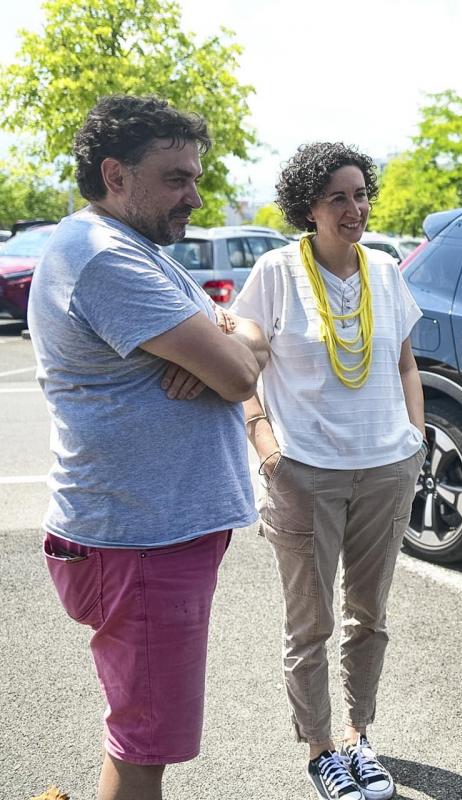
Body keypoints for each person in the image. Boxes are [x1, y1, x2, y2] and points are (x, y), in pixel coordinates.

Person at [27, 95, 269, 800]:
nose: (194, 195)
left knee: (138, 729)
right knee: (145, 749)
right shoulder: (106, 259)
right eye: (175, 178)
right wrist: (225, 351)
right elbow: (240, 371)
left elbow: (244, 334)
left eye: (195, 176)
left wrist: (229, 341)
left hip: (147, 533)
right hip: (141, 540)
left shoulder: (127, 247)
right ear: (115, 174)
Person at [232, 142, 425, 800]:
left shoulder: (387, 270)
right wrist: (265, 444)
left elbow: (404, 362)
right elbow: (243, 364)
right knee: (309, 624)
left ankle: (359, 736)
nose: (355, 208)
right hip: (304, 473)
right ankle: (321, 749)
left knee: (368, 616)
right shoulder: (277, 271)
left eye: (361, 194)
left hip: (385, 468)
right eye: (337, 196)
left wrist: (416, 438)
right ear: (308, 207)